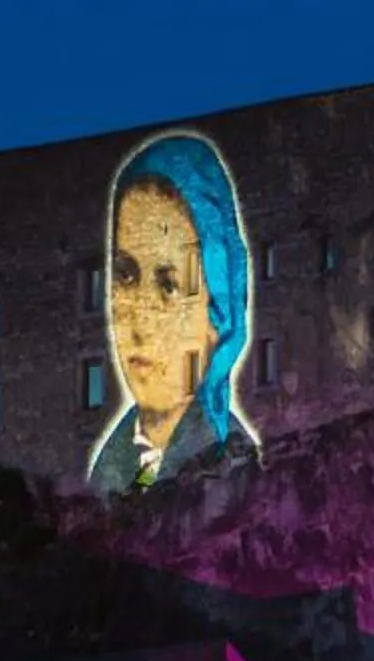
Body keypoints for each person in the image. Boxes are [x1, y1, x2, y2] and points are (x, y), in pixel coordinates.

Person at [88, 132, 260, 494]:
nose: (141, 321)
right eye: (126, 276)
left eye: (169, 286)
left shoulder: (234, 473)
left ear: (219, 318)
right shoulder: (113, 469)